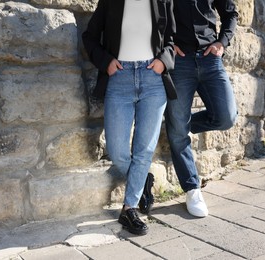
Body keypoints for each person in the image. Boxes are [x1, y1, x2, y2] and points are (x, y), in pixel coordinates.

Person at [82, 0, 176, 235]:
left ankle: (129, 208)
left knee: (144, 149)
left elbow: (172, 41)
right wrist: (106, 62)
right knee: (117, 150)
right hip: (120, 78)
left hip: (153, 80)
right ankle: (142, 179)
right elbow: (89, 37)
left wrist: (163, 62)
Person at [164, 0, 239, 217]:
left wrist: (222, 42)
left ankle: (177, 127)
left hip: (210, 58)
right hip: (180, 61)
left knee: (227, 118)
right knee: (178, 130)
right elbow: (154, 17)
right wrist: (166, 45)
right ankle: (191, 188)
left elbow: (230, 14)